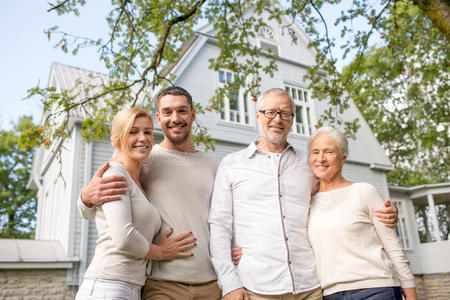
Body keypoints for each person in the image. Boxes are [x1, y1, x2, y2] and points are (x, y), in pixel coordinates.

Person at [209, 88, 399, 300]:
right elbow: (219, 225)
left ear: (292, 119)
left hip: (311, 287)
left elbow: (337, 196)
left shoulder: (308, 164)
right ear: (257, 115)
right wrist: (229, 283)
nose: (277, 119)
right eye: (270, 112)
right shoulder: (232, 165)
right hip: (256, 287)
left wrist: (386, 209)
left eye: (285, 113)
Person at [77, 87, 222, 300]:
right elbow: (99, 206)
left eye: (182, 111)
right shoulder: (141, 159)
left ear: (193, 115)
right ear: (159, 118)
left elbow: (226, 218)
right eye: (167, 112)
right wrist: (85, 198)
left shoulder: (214, 165)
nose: (175, 118)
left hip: (210, 282)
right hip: (160, 283)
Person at [306, 126, 417, 300]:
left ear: (343, 158)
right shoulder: (308, 202)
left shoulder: (364, 192)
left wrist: (411, 295)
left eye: (329, 152)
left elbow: (394, 248)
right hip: (331, 293)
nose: (321, 158)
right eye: (315, 152)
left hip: (377, 289)